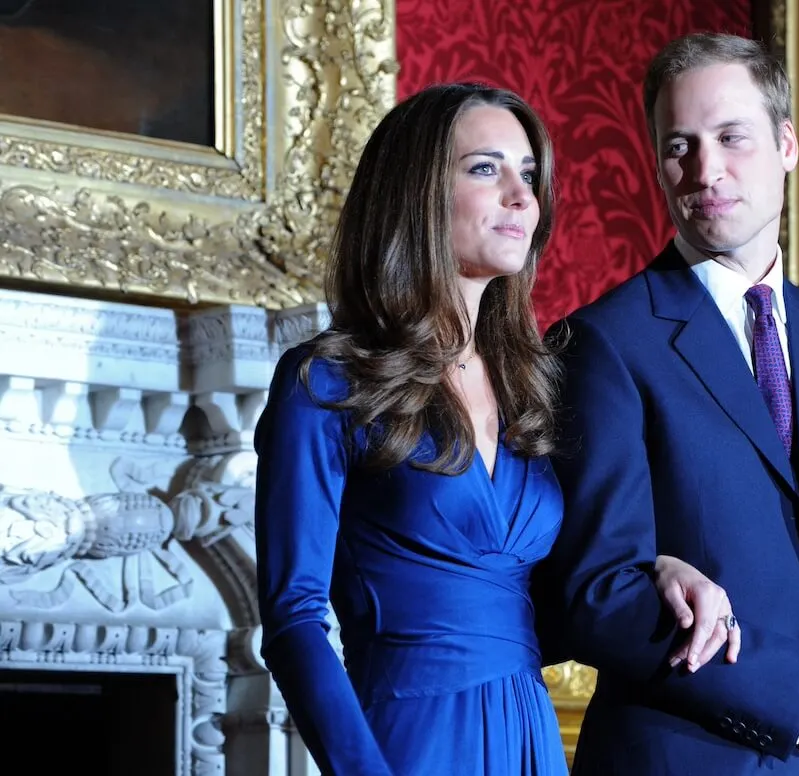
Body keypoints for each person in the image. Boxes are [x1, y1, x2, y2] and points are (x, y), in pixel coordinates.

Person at [253, 82, 737, 776]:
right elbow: (293, 618)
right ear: (417, 193)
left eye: (529, 174)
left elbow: (563, 591)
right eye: (486, 168)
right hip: (405, 741)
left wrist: (658, 567)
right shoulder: (325, 382)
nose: (522, 197)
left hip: (529, 736)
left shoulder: (534, 384)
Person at [542, 33, 799, 775]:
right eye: (679, 146)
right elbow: (597, 590)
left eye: (732, 137)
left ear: (786, 143)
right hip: (678, 756)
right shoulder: (603, 342)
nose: (706, 171)